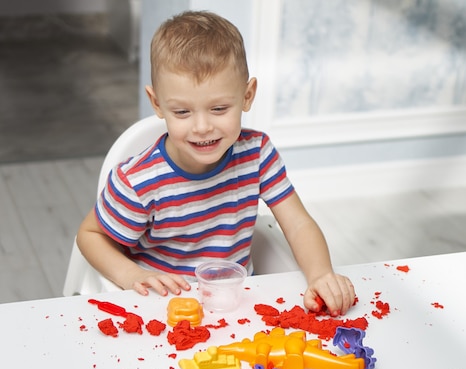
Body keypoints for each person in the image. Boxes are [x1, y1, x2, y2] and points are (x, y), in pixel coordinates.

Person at [76, 10, 355, 316]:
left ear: (247, 96)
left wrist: (320, 274)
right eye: (182, 112)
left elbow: (298, 223)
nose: (202, 127)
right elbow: (91, 236)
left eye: (219, 108)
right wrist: (133, 276)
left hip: (233, 302)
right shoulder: (138, 181)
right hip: (161, 307)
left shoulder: (257, 154)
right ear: (157, 104)